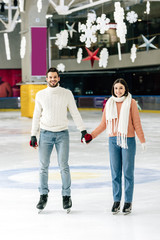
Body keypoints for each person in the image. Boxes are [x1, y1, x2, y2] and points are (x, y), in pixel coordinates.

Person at [83, 78, 146, 215]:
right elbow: (103, 125)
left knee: (128, 173)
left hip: (128, 140)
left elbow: (136, 123)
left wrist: (142, 140)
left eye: (121, 88)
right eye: (116, 88)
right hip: (113, 141)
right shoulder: (109, 103)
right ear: (113, 89)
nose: (118, 91)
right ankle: (116, 201)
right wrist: (91, 136)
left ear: (125, 89)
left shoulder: (131, 103)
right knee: (115, 173)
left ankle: (128, 202)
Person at [30, 67, 87, 212]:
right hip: (45, 134)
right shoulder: (40, 95)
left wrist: (83, 130)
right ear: (46, 78)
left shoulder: (66, 93)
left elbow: (74, 112)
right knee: (43, 166)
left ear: (59, 78)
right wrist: (33, 135)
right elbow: (36, 116)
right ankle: (43, 195)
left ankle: (66, 196)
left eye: (55, 77)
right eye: (50, 77)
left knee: (64, 166)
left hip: (62, 134)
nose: (53, 79)